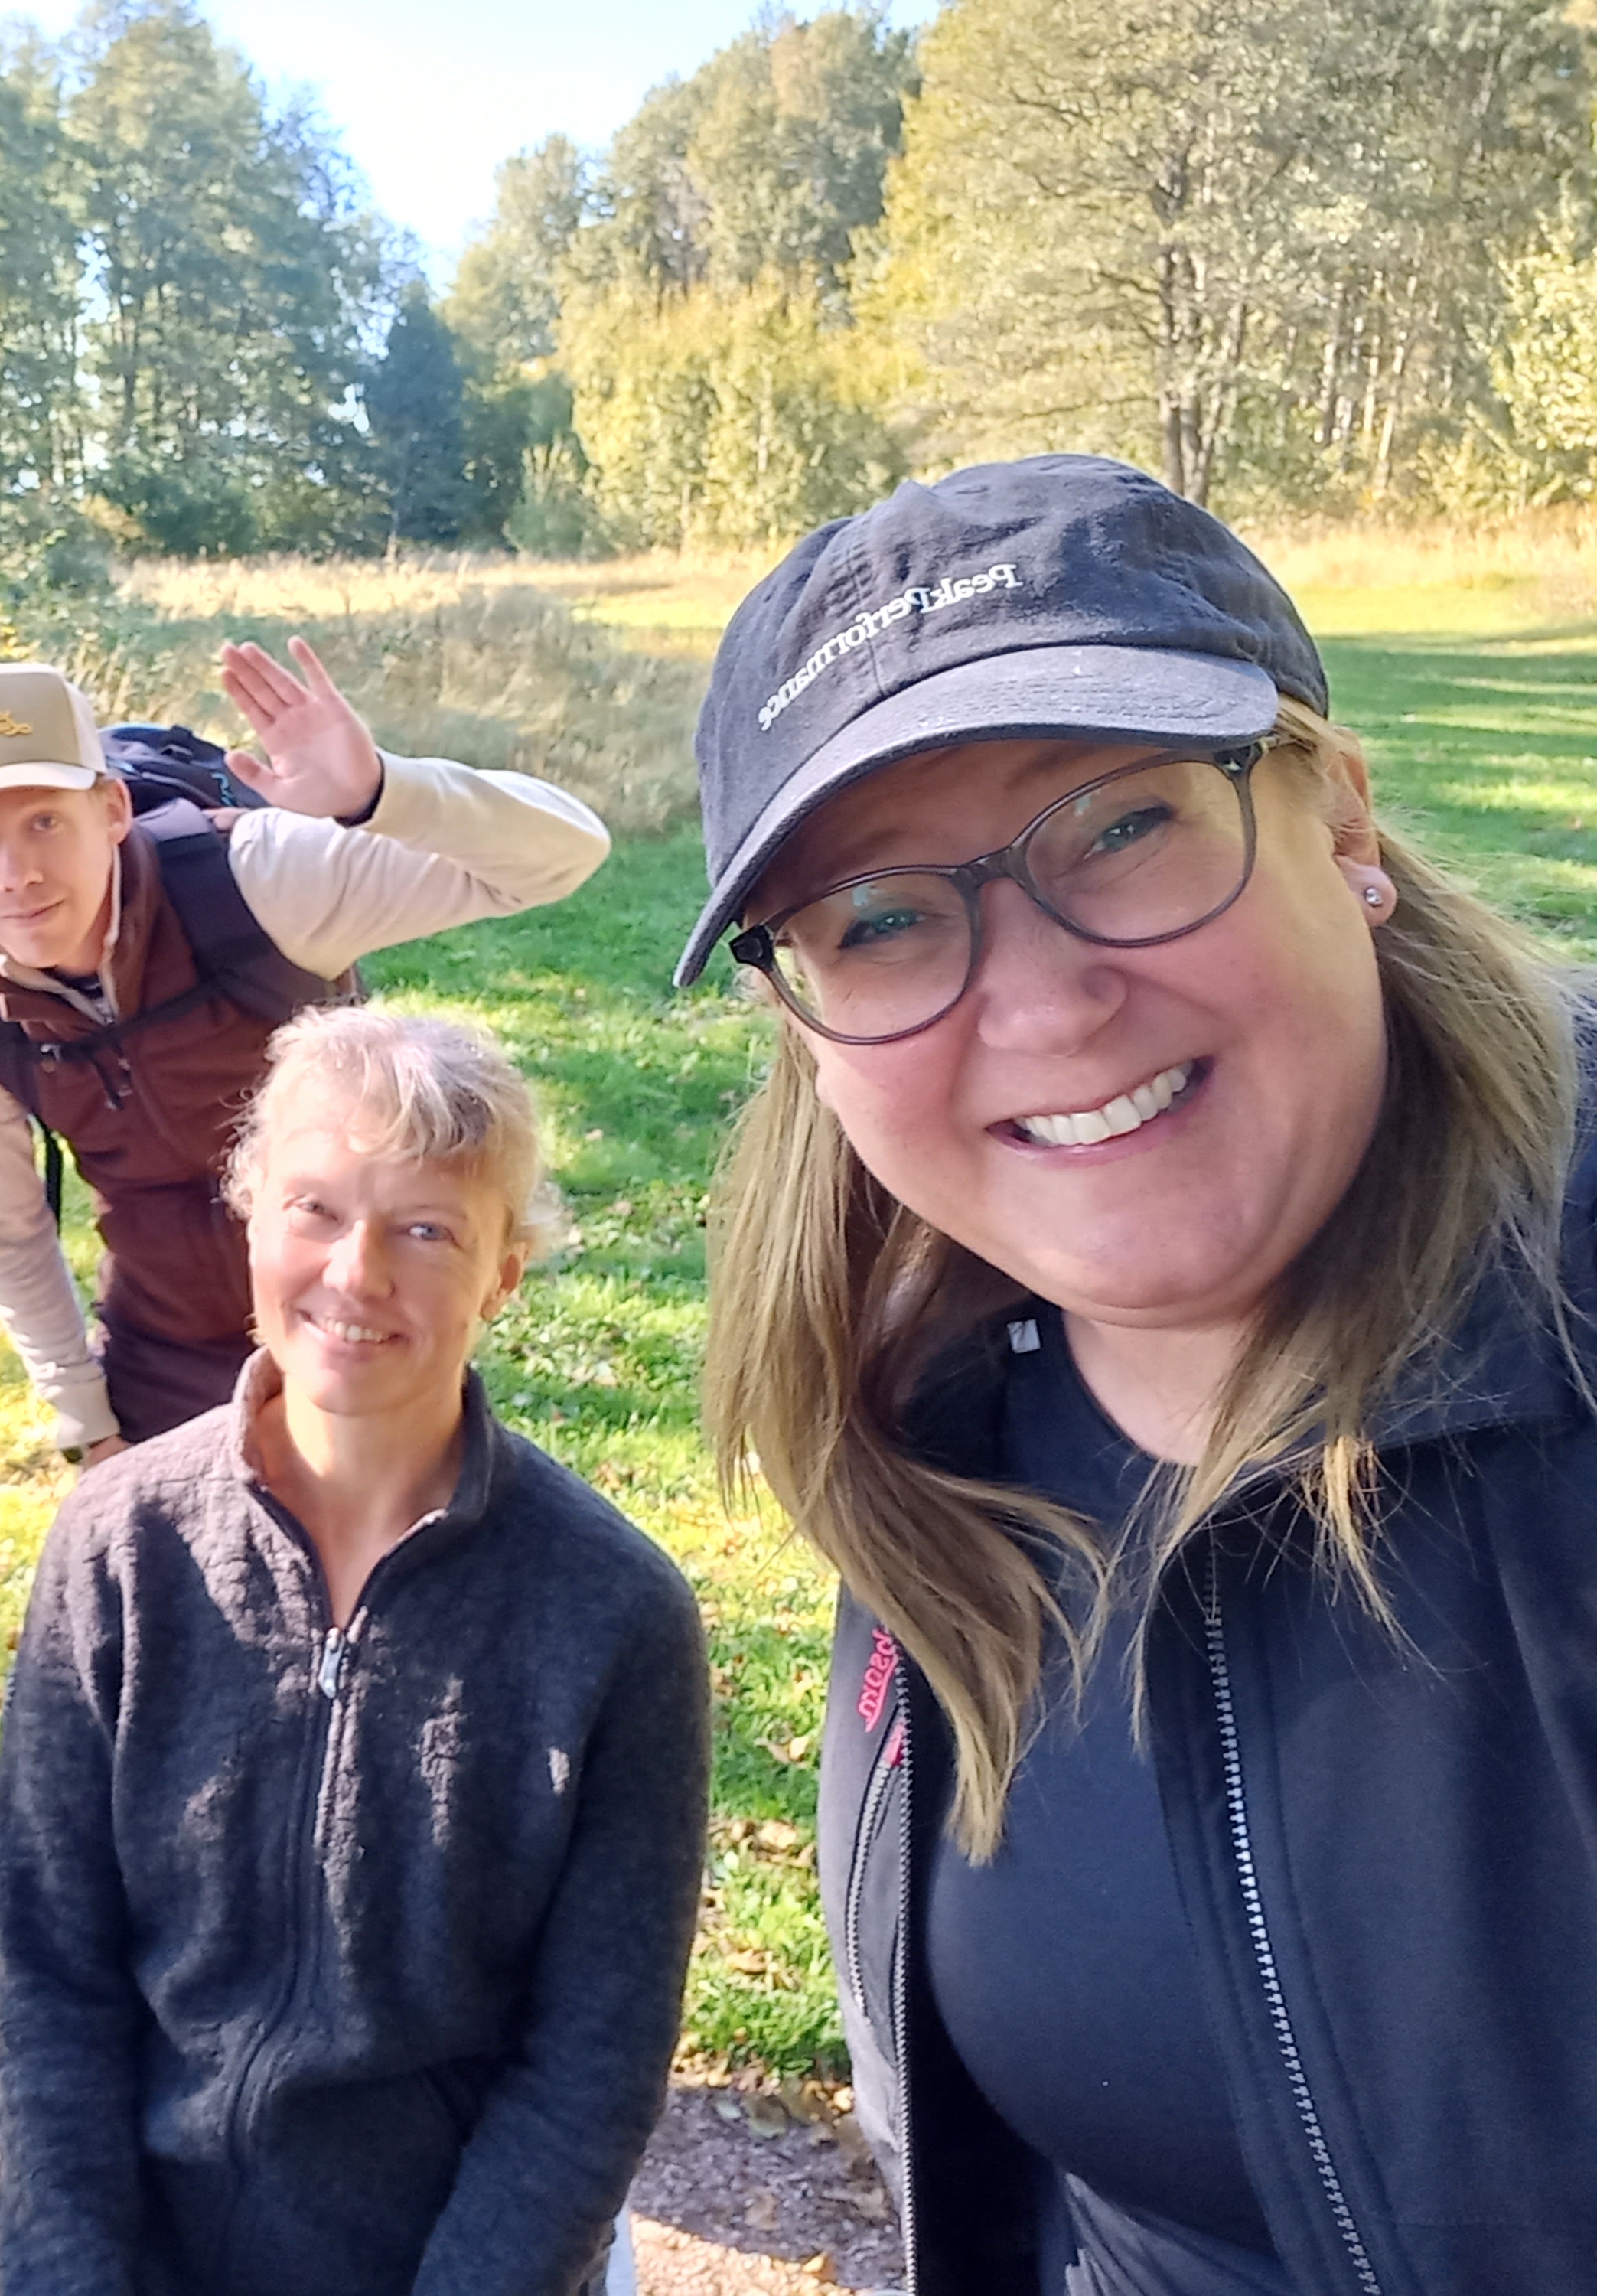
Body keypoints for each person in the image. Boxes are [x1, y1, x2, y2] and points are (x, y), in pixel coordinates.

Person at [686, 453, 1597, 2291]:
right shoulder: (924, 1427)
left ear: (1340, 813)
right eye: (875, 917)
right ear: (798, 1022)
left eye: (1118, 824)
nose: (1035, 1003)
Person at [0, 1006, 710, 2296]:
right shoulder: (119, 1548)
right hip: (128, 2248)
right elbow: (52, 1971)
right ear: (252, 1219)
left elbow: (593, 2063)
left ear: (504, 1274)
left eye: (427, 1230)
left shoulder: (614, 1618)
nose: (357, 1274)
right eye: (316, 1209)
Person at [0, 644, 611, 1466]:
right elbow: (4, 1228)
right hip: (159, 1350)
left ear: (110, 809)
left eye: (44, 822)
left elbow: (566, 853)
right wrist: (84, 1415)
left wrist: (379, 792)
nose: (18, 873)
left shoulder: (256, 882)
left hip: (351, 1313)